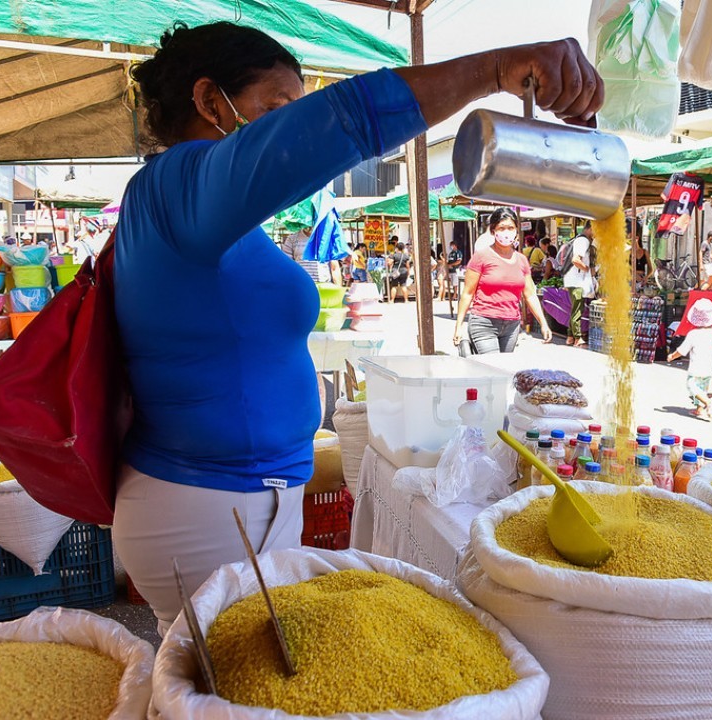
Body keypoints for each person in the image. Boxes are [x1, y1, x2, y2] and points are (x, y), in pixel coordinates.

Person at [113, 20, 603, 634]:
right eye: (278, 109)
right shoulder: (182, 186)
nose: (288, 127)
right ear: (212, 102)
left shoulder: (202, 207)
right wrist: (495, 69)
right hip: (211, 504)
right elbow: (342, 123)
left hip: (231, 497)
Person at [452, 207, 552, 353]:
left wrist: (543, 323)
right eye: (502, 228)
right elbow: (467, 293)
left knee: (504, 370)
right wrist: (458, 326)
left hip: (512, 325)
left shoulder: (522, 260)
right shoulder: (481, 256)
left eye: (511, 228)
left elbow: (530, 295)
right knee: (493, 367)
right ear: (493, 231)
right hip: (484, 322)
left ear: (517, 230)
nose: (506, 232)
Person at [668, 297, 712, 421]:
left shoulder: (693, 334)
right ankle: (699, 410)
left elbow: (682, 350)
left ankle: (708, 403)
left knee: (692, 387)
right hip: (709, 368)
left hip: (696, 369)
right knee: (702, 389)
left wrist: (672, 356)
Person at [561, 220, 595, 346]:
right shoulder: (583, 240)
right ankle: (577, 338)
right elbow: (576, 260)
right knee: (578, 309)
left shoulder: (581, 239)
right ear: (591, 228)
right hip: (576, 280)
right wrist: (586, 268)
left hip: (573, 279)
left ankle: (570, 337)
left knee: (575, 308)